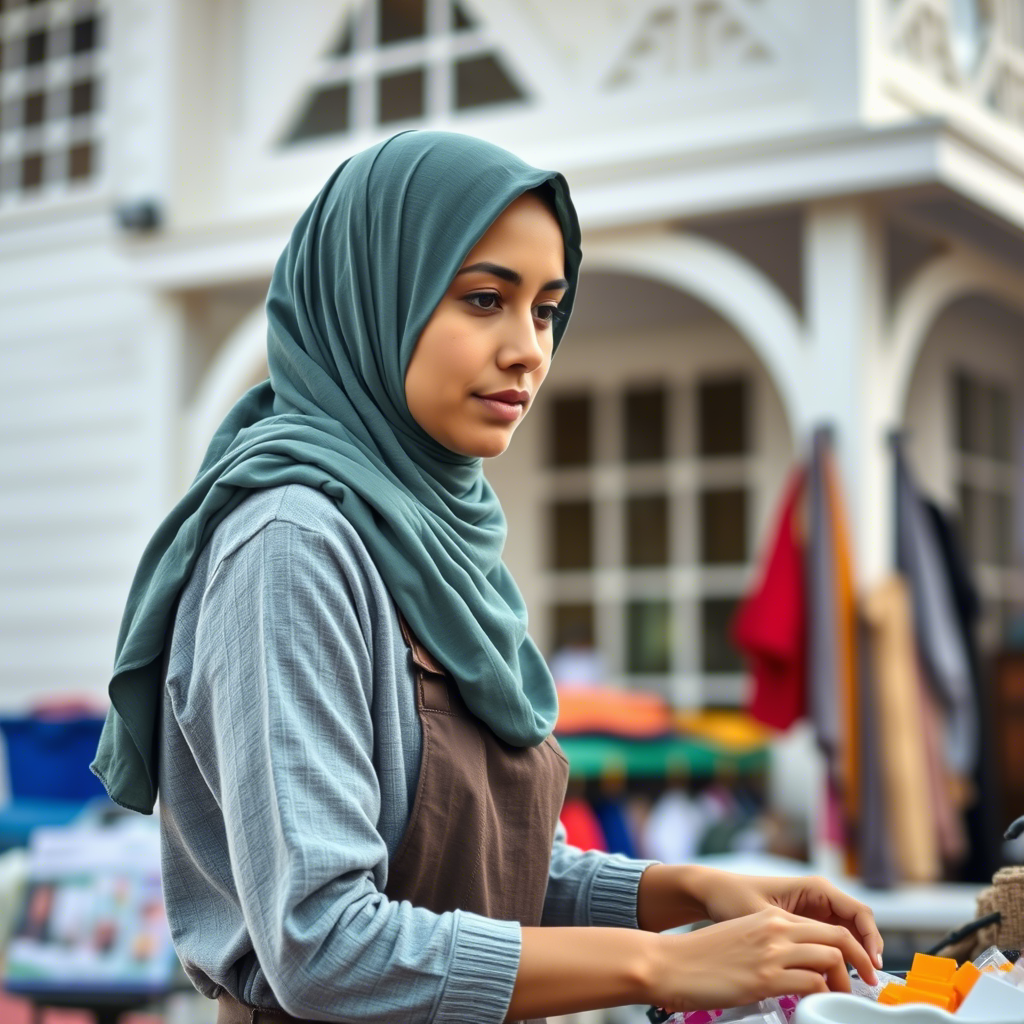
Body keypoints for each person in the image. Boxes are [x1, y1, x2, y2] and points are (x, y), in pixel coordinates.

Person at [90, 130, 883, 1024]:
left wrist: (698, 892)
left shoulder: (437, 543)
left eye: (546, 310)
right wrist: (659, 968)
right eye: (482, 299)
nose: (529, 351)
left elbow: (497, 871)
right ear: (372, 295)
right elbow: (322, 944)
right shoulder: (290, 547)